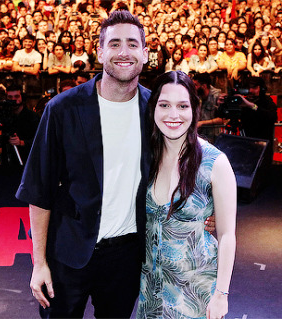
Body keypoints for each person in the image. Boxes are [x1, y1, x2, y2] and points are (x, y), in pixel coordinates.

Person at [16, 10, 215, 318]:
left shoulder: (156, 111)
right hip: (68, 253)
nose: (124, 52)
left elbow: (187, 161)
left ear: (145, 54)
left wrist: (209, 209)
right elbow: (39, 190)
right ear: (100, 51)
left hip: (127, 258)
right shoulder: (62, 110)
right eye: (115, 44)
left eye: (133, 44)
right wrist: (39, 263)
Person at [136, 70, 236, 319]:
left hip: (196, 296)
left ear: (194, 109)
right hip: (151, 293)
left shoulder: (215, 163)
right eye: (164, 105)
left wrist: (221, 295)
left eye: (182, 105)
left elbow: (226, 235)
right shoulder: (144, 157)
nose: (173, 115)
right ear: (153, 109)